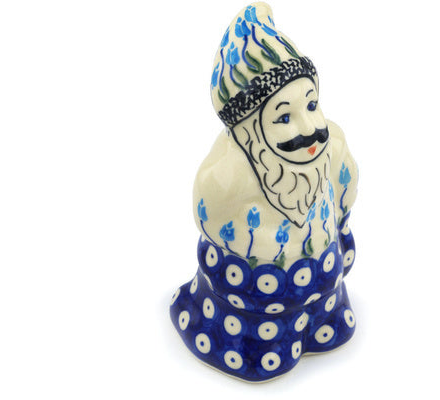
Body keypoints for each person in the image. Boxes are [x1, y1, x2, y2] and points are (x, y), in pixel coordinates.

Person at [170, 2, 358, 382]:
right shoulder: (231, 172)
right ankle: (255, 348)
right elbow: (207, 214)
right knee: (259, 341)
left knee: (328, 319)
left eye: (311, 104)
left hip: (324, 284)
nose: (310, 128)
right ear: (248, 133)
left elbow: (345, 192)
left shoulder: (333, 146)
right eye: (284, 117)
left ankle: (320, 323)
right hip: (248, 306)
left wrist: (341, 233)